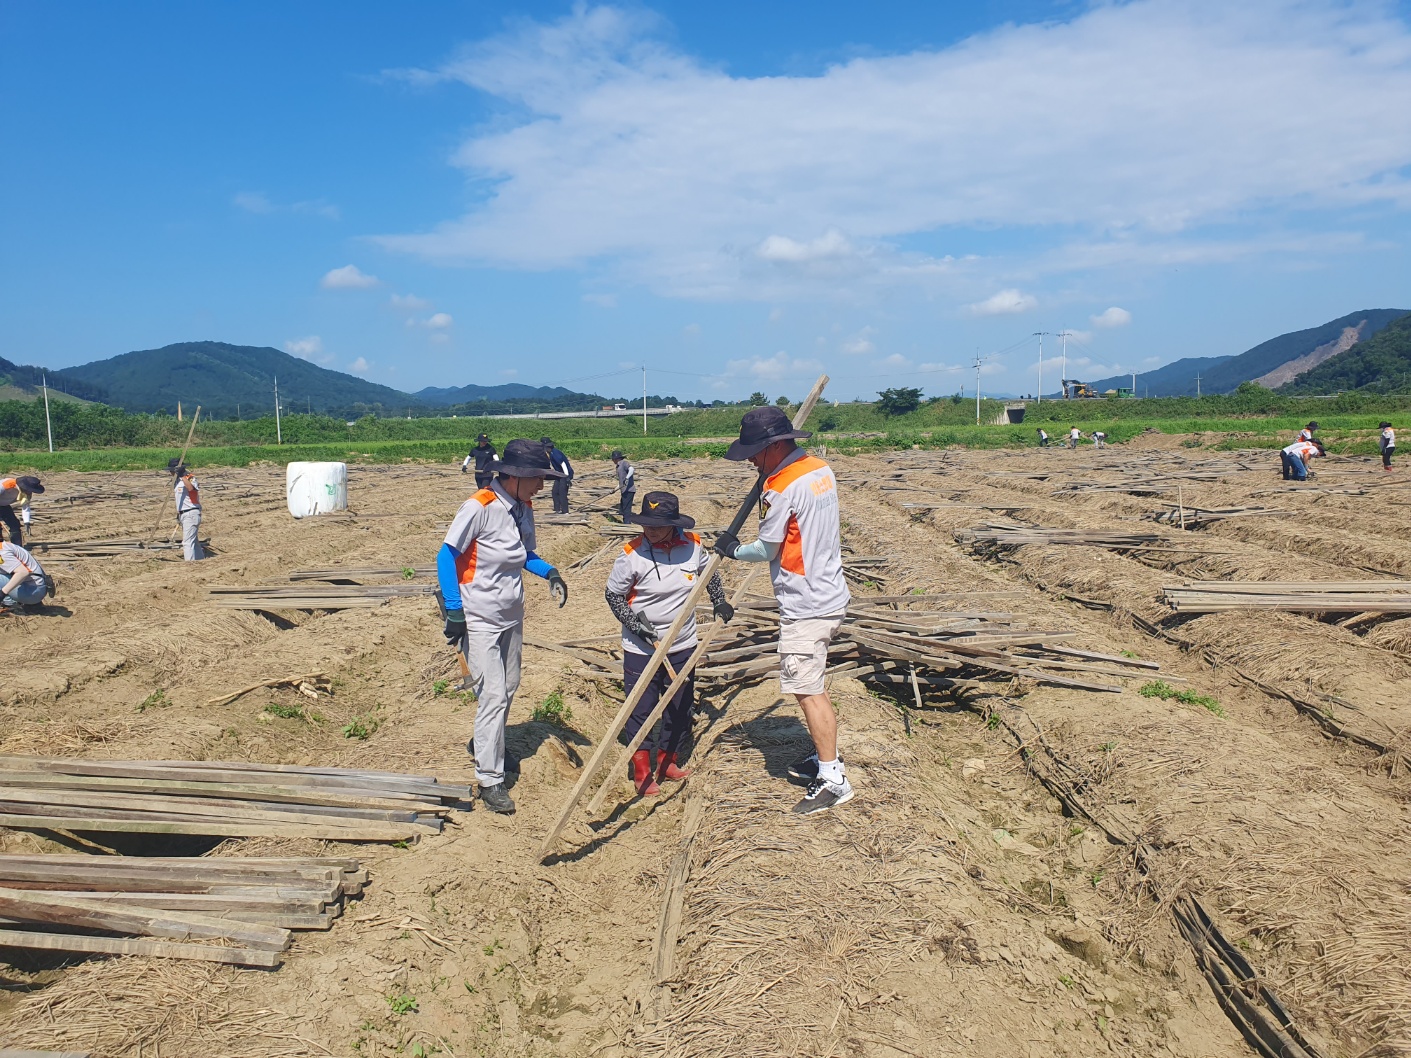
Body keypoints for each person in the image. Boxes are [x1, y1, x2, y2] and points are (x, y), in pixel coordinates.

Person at [714, 406, 853, 816]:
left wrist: (732, 550)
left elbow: (766, 549)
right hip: (830, 591)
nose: (751, 462)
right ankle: (824, 758)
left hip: (806, 603)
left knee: (808, 690)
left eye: (754, 454)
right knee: (810, 684)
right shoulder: (818, 469)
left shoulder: (780, 486)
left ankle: (833, 779)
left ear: (773, 447)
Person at [437, 438, 570, 814]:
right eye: (537, 479)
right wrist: (454, 610)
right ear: (514, 476)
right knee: (492, 695)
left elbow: (524, 554)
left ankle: (489, 745)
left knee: (509, 687)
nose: (542, 486)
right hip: (479, 617)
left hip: (512, 615)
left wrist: (550, 572)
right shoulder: (479, 507)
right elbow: (446, 555)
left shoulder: (523, 507)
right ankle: (489, 779)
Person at [604, 492, 733, 794]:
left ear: (674, 525)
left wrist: (719, 600)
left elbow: (709, 574)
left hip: (682, 643)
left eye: (658, 526)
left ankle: (667, 760)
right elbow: (613, 595)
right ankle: (641, 770)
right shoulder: (631, 554)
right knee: (641, 707)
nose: (650, 530)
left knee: (679, 705)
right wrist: (635, 626)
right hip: (642, 647)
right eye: (647, 524)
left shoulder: (693, 546)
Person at [1, 525, 51, 613]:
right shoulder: (5, 546)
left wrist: (2, 593)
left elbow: (23, 572)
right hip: (36, 589)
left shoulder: (2, 552)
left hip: (32, 592)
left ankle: (10, 603)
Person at [166, 459, 204, 561]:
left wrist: (183, 476)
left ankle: (190, 564)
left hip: (191, 512)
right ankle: (200, 560)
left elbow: (191, 489)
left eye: (172, 471)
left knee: (187, 542)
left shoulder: (190, 478)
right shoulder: (176, 481)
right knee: (193, 541)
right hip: (183, 513)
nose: (170, 473)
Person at [0, 475, 43, 547]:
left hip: (4, 505)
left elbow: (26, 507)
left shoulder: (26, 494)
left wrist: (26, 522)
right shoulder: (6, 485)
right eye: (29, 490)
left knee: (15, 525)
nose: (30, 492)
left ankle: (17, 547)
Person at [541, 437, 574, 514]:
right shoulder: (550, 453)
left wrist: (566, 477)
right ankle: (557, 510)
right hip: (559, 474)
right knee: (555, 492)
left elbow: (563, 464)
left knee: (562, 493)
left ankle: (565, 511)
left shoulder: (555, 453)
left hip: (564, 474)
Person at [611, 450, 635, 519]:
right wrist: (614, 490)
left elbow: (631, 469)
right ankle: (623, 519)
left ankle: (627, 523)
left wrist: (627, 478)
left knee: (626, 509)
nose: (613, 461)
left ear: (616, 459)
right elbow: (622, 483)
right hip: (624, 491)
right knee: (622, 508)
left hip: (629, 490)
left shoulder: (624, 463)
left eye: (613, 459)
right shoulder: (618, 467)